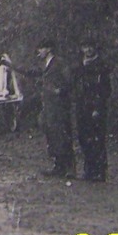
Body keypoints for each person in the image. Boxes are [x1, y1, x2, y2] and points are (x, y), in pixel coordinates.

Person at [34, 42, 75, 179]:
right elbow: (31, 72)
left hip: (59, 105)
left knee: (63, 134)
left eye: (41, 47)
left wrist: (60, 90)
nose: (38, 51)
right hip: (49, 105)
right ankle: (58, 166)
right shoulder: (44, 64)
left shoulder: (59, 63)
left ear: (49, 48)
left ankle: (69, 168)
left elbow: (69, 80)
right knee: (52, 135)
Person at [71, 40, 111, 182]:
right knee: (83, 138)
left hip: (95, 106)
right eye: (85, 47)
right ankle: (89, 169)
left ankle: (100, 171)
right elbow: (75, 85)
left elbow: (105, 90)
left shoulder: (101, 67)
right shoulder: (79, 66)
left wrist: (97, 107)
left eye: (90, 47)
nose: (87, 50)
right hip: (81, 106)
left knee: (97, 139)